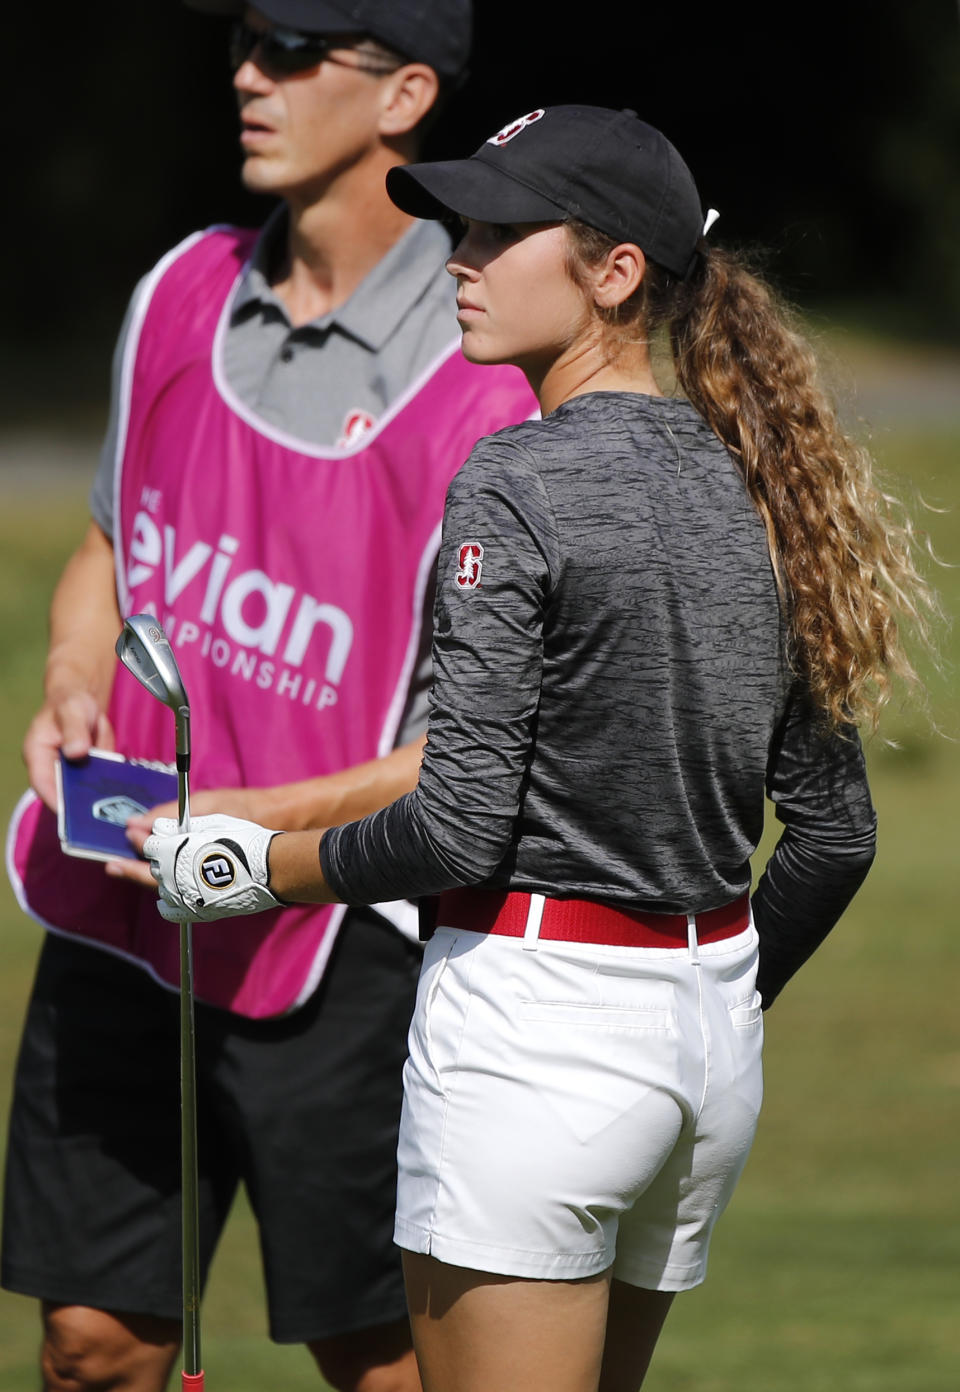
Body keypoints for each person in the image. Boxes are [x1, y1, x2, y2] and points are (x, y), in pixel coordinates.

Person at [143, 106, 939, 1392]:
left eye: (502, 231)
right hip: (704, 1055)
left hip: (532, 1040)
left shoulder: (515, 478)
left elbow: (458, 825)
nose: (460, 254)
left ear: (615, 273)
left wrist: (248, 868)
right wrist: (716, 997)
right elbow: (836, 835)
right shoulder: (766, 474)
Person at [3, 2, 536, 1389]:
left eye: (297, 54)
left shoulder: (486, 380)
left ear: (406, 94)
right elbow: (112, 548)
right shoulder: (179, 289)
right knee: (90, 1344)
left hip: (338, 936)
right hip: (127, 902)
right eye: (248, 44)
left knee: (377, 1361)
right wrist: (71, 680)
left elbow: (467, 750)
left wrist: (250, 826)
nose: (250, 76)